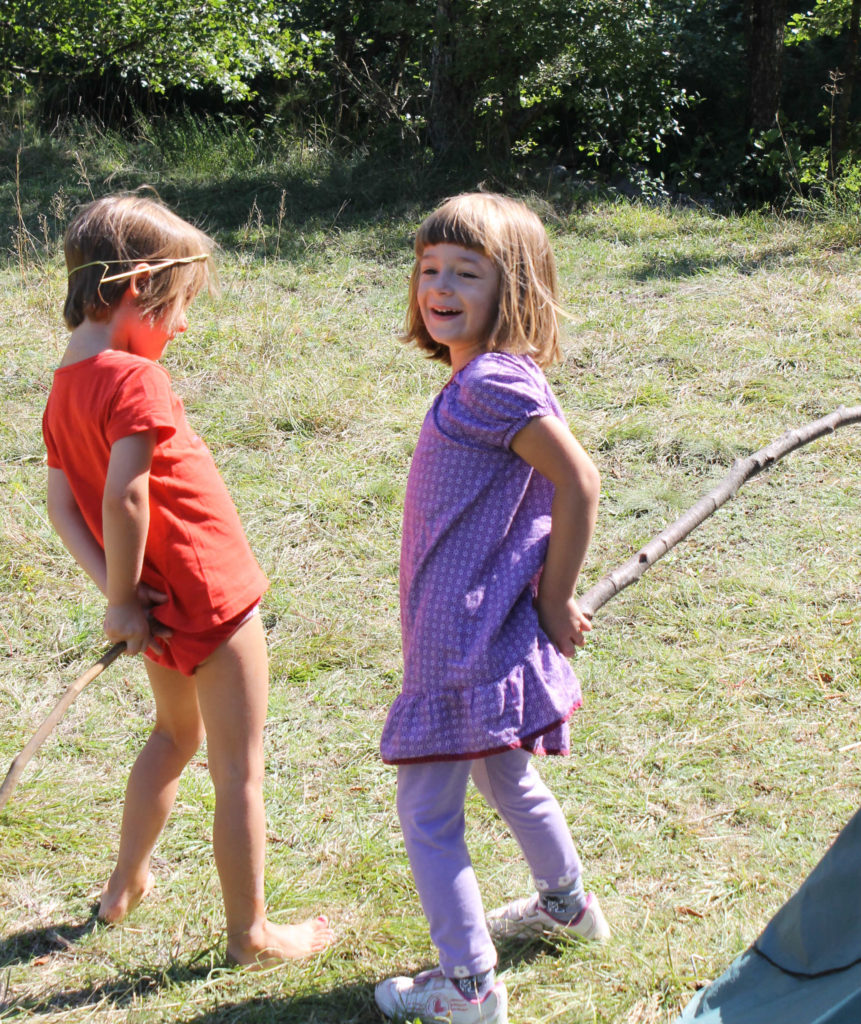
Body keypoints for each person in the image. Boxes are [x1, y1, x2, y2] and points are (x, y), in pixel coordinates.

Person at [42, 193, 334, 966]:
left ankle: (124, 885)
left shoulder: (66, 381)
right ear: (138, 286)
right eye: (179, 305)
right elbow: (123, 493)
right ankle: (252, 936)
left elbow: (61, 506)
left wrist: (125, 593)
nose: (182, 324)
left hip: (160, 606)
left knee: (173, 737)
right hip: (210, 596)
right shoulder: (135, 378)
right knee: (239, 767)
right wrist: (117, 598)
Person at [374, 193, 608, 1024]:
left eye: (465, 273)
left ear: (514, 288)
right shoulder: (487, 376)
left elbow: (578, 482)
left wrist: (555, 597)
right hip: (480, 620)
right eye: (429, 268)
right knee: (504, 769)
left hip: (461, 632)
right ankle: (566, 906)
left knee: (427, 812)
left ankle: (466, 987)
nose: (438, 286)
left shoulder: (492, 383)